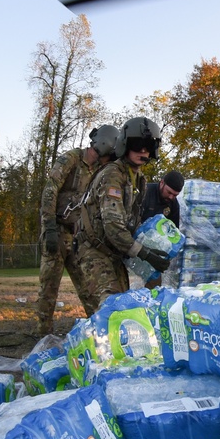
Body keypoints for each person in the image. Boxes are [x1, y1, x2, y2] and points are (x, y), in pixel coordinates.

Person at [75, 117, 171, 312]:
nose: (142, 151)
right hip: (94, 250)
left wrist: (152, 249)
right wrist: (146, 254)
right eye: (137, 144)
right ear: (125, 145)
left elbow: (131, 223)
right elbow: (113, 226)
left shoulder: (139, 180)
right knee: (110, 309)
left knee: (125, 308)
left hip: (114, 252)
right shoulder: (113, 174)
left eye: (147, 146)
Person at [35, 125, 118, 333]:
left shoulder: (99, 172)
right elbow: (50, 190)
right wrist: (49, 227)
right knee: (49, 287)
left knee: (87, 286)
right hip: (57, 229)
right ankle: (43, 333)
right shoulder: (71, 159)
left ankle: (99, 329)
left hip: (77, 236)